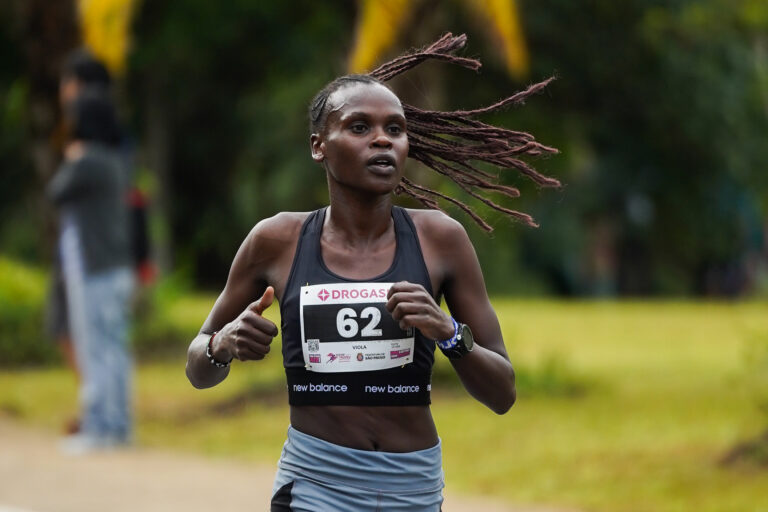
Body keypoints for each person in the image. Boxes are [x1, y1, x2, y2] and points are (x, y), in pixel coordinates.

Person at [185, 33, 559, 510]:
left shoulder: (440, 239)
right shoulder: (276, 241)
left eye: (395, 129)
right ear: (319, 146)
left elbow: (502, 392)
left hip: (414, 486)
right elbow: (198, 366)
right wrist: (222, 344)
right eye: (360, 127)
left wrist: (448, 332)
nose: (382, 139)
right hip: (315, 485)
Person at [48, 87, 134, 453]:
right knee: (114, 348)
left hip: (95, 267)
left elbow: (55, 191)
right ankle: (118, 425)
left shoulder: (87, 161)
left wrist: (71, 157)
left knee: (97, 347)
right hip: (117, 267)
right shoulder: (115, 160)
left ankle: (100, 427)